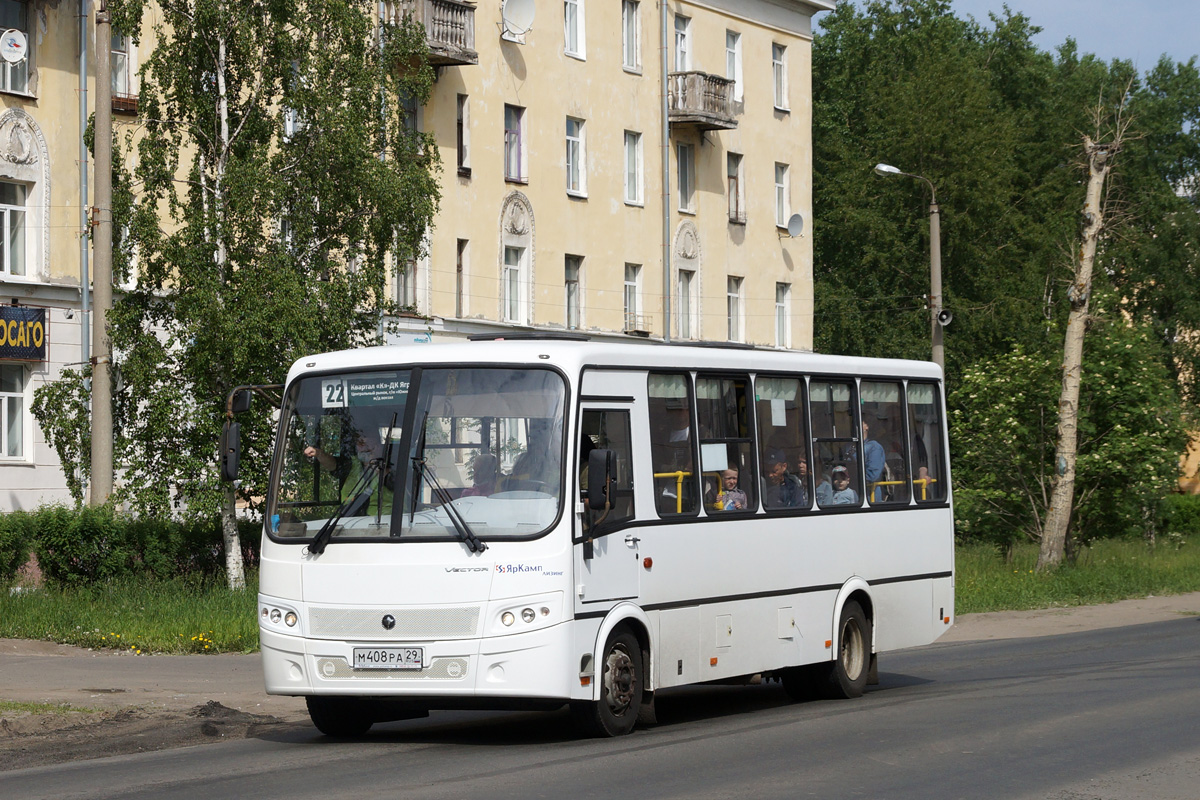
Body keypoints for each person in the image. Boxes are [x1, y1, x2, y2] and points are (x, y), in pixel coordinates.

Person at [862, 419, 886, 501]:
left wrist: (851, 476)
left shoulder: (874, 447)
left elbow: (873, 475)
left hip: (868, 496)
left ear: (867, 426)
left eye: (859, 422)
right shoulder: (848, 447)